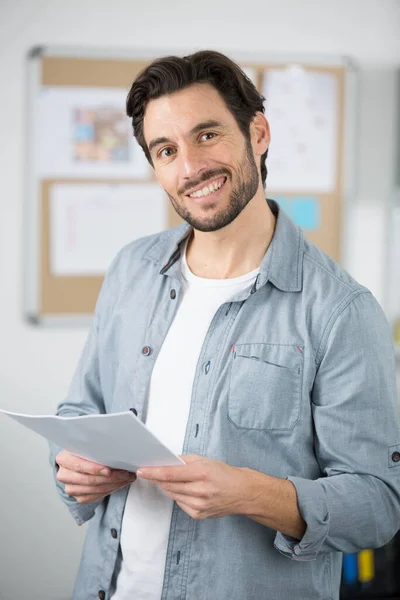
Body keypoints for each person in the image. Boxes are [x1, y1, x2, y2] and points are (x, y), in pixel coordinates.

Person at [50, 50, 400, 600]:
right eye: (167, 150)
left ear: (257, 132)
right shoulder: (130, 270)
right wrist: (73, 469)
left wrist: (249, 493)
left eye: (207, 135)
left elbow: (379, 505)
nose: (190, 167)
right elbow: (79, 412)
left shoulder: (341, 310)